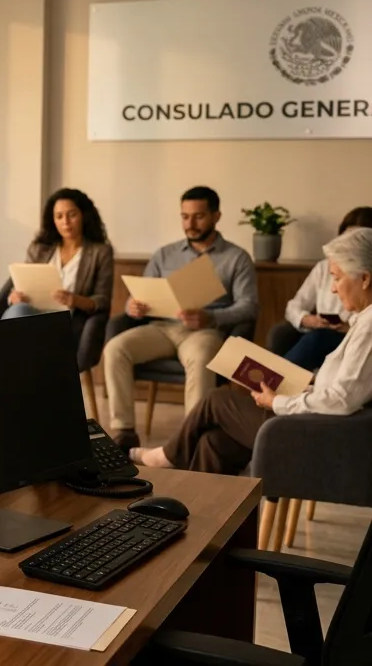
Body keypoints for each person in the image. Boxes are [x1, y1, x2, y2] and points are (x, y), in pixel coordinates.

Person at [131, 227, 372, 474]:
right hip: (319, 422)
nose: (333, 288)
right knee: (214, 442)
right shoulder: (363, 322)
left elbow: (341, 400)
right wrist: (303, 388)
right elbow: (345, 391)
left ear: (364, 279)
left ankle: (169, 456)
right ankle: (197, 496)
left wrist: (278, 402)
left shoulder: (369, 328)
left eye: (337, 277)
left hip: (322, 435)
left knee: (216, 400)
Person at [103, 186, 258, 451]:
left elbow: (249, 307)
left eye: (198, 216)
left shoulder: (236, 258)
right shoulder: (164, 254)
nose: (190, 224)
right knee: (115, 349)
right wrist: (133, 306)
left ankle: (191, 440)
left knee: (200, 357)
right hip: (161, 327)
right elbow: (138, 295)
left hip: (205, 331)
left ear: (216, 216)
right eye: (185, 217)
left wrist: (211, 317)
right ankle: (124, 432)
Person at [271, 206, 372, 371]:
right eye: (345, 238)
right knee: (283, 334)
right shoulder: (323, 267)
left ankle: (276, 378)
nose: (333, 288)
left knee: (318, 338)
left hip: (345, 336)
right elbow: (294, 306)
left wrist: (350, 328)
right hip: (317, 330)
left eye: (356, 239)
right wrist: (309, 320)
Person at [1, 187, 115, 322]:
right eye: (59, 216)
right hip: (31, 313)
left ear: (84, 216)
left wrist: (75, 300)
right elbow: (21, 286)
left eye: (72, 215)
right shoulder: (39, 249)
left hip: (66, 319)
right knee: (19, 310)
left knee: (18, 315)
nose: (65, 222)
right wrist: (14, 297)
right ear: (53, 220)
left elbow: (102, 300)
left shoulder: (100, 252)